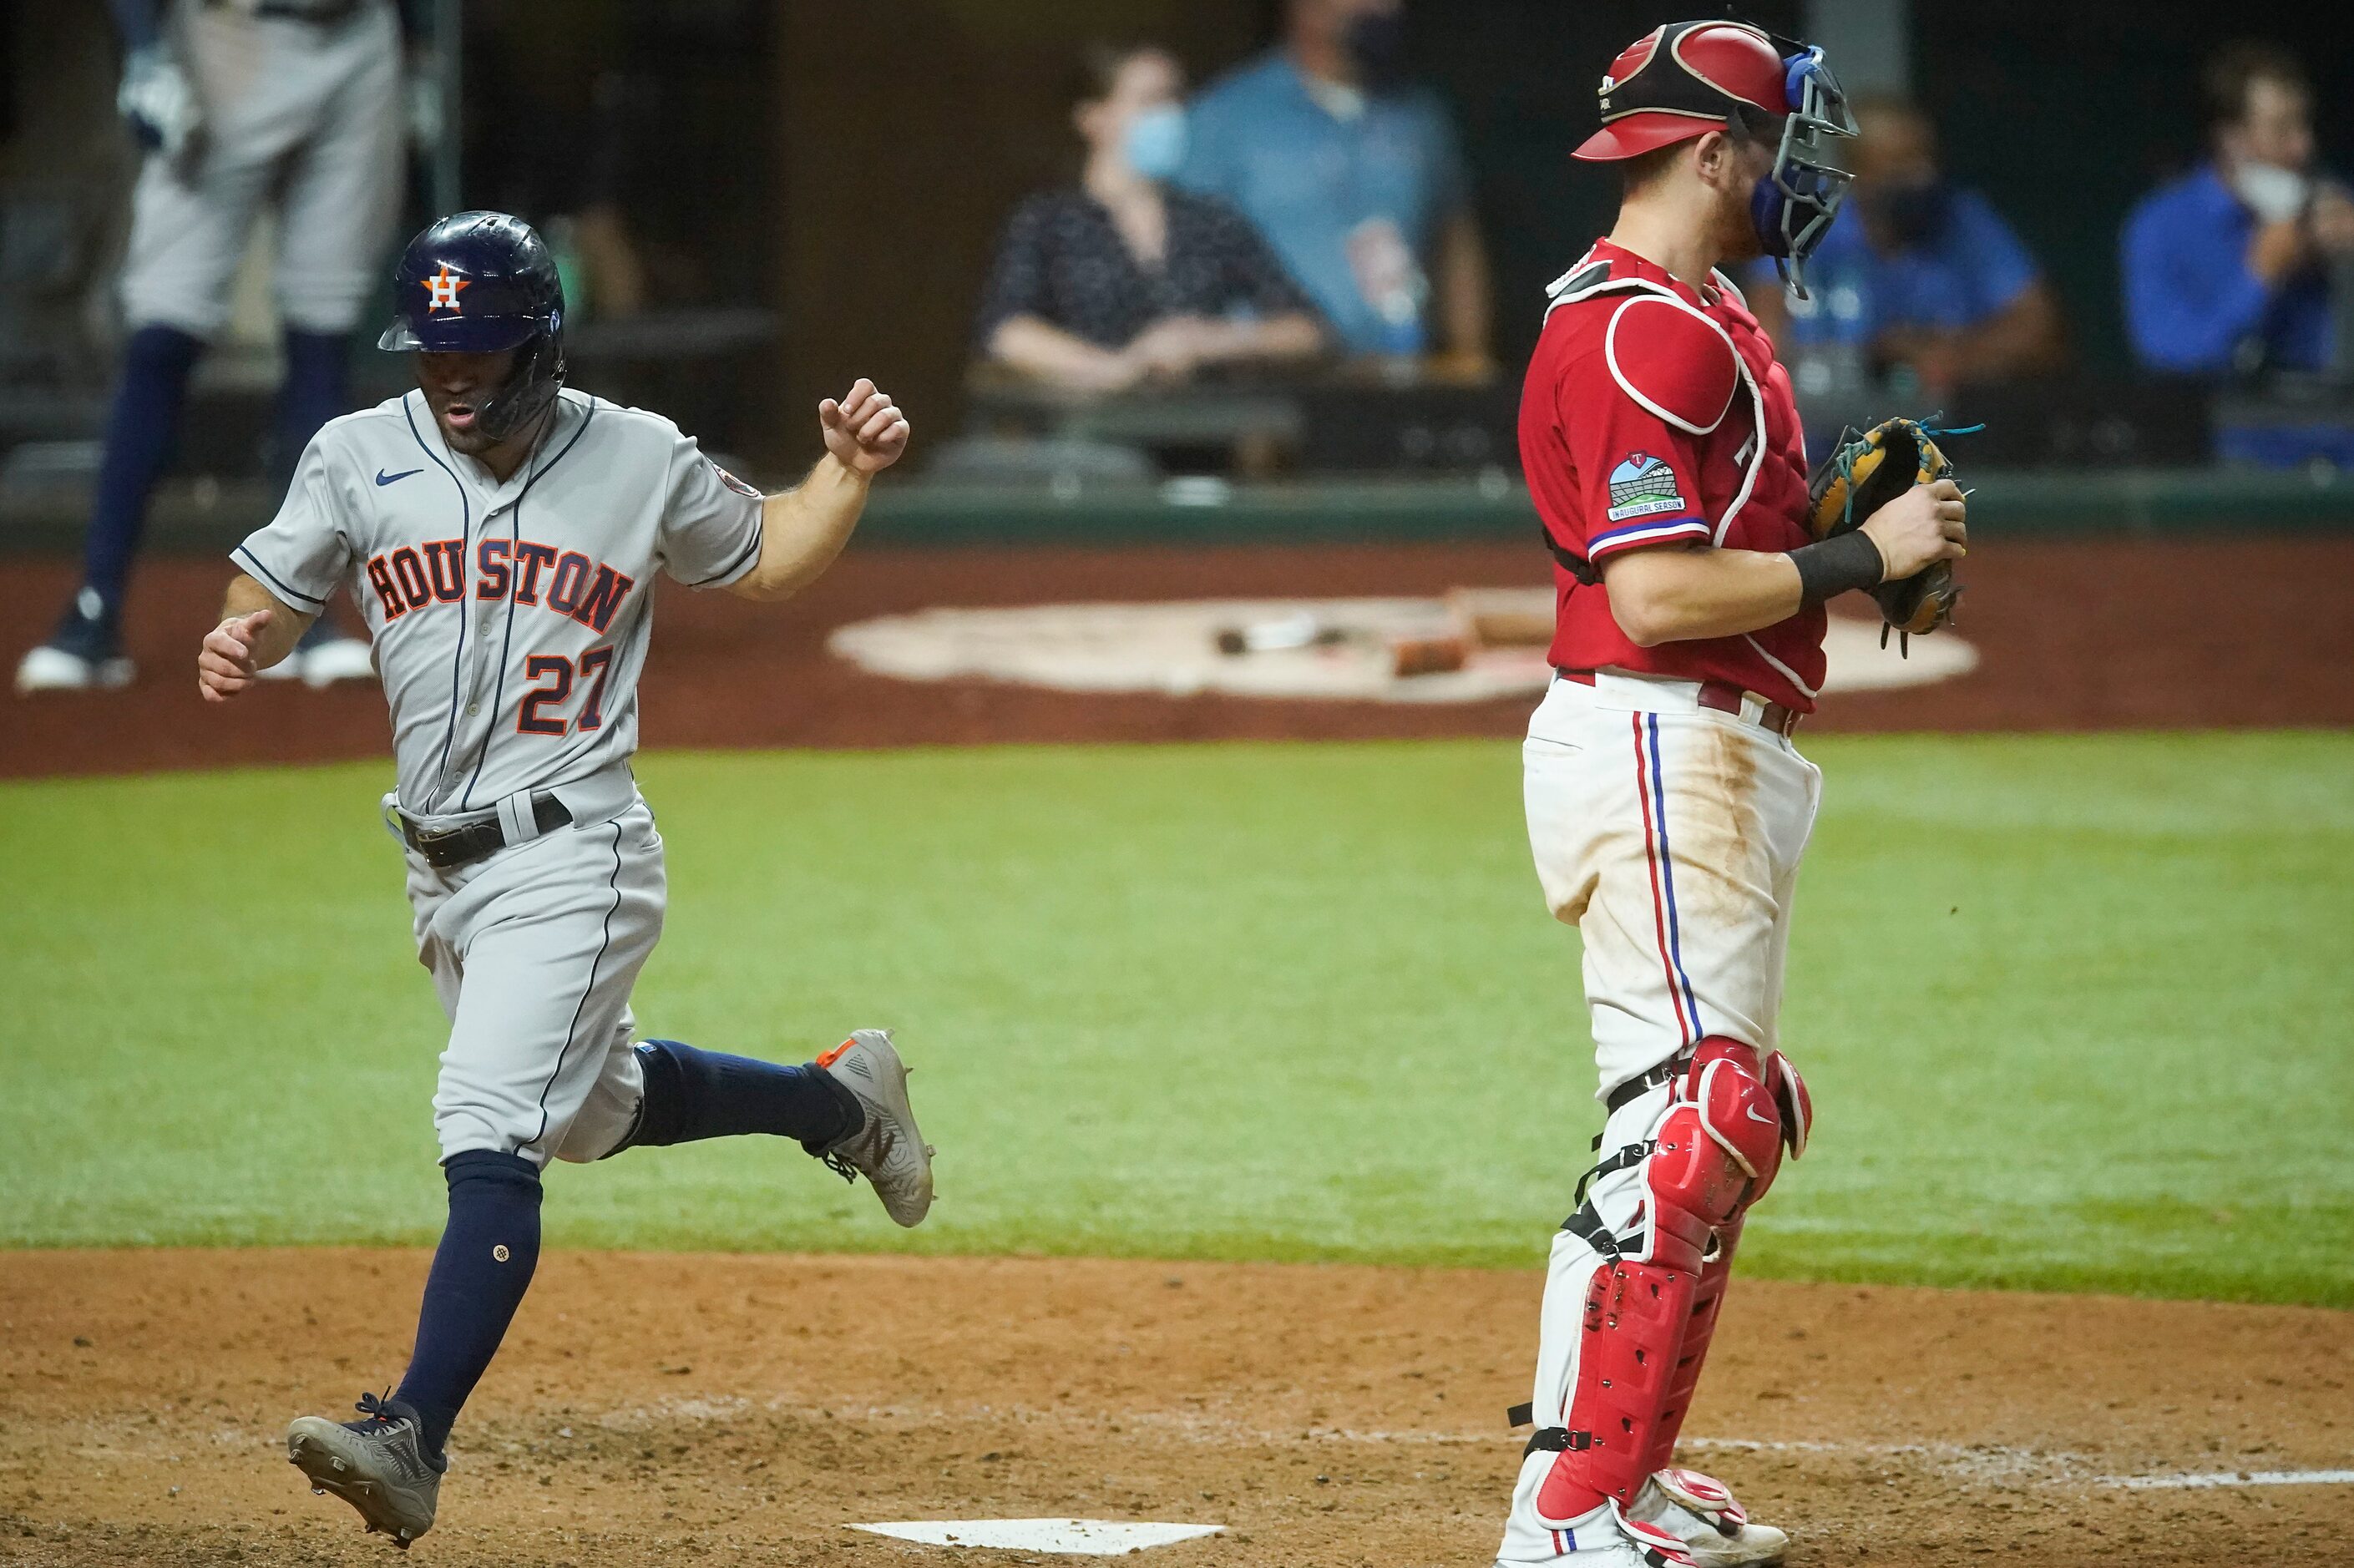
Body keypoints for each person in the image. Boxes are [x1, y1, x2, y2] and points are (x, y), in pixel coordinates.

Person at [197, 212, 936, 1547]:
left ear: (538, 342)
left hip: (575, 852)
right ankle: (838, 1101)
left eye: (477, 349)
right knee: (588, 1114)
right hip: (437, 871)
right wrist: (242, 634)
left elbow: (764, 552)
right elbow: (274, 578)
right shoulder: (358, 450)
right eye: (434, 352)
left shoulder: (636, 454)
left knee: (487, 1113)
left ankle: (410, 1434)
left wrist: (842, 473)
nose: (452, 375)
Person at [1496, 23, 1964, 1568]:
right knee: (1690, 1124)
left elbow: (1703, 543)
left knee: (1709, 1121)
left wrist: (1819, 517)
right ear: (1709, 152)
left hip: (1697, 740)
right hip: (1655, 731)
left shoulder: (1694, 312)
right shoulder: (1652, 332)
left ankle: (1622, 1479)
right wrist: (1856, 559)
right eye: (1772, 147)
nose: (1790, 178)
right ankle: (1571, 1511)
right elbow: (1645, 594)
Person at [16, 0, 402, 695]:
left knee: (322, 337)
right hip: (228, 36)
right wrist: (144, 49)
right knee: (163, 336)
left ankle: (307, 614)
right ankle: (94, 609)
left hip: (355, 38)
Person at [976, 43, 1324, 391]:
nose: (1169, 115)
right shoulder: (1048, 221)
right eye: (1150, 101)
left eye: (1175, 99)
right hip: (1084, 429)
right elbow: (1007, 331)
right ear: (1093, 118)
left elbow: (1305, 329)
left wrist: (1212, 341)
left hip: (1201, 427)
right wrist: (1118, 369)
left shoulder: (1211, 221)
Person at [1174, 0, 1491, 367]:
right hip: (1274, 390)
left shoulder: (1418, 116)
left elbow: (1454, 235)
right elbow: (1181, 253)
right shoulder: (1225, 118)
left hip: (1402, 376)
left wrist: (1471, 355)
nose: (1383, 8)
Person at [1750, 94, 2065, 396]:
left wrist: (1950, 356)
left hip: (1939, 430)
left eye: (1927, 159)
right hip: (1826, 432)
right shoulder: (1804, 219)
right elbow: (1766, 346)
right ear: (1857, 174)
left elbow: (2040, 332)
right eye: (1902, 165)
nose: (1923, 176)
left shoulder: (1960, 217)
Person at [2123, 42, 2354, 375]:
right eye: (2282, 130)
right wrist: (2260, 277)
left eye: (2304, 125)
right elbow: (2169, 362)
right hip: (2228, 424)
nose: (2304, 146)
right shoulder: (2161, 226)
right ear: (2232, 139)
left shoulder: (2331, 207)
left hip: (2327, 424)